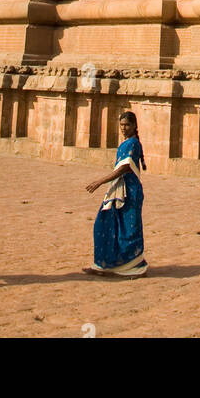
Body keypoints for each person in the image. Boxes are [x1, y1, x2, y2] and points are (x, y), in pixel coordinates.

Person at [83, 111, 148, 278]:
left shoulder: (133, 144)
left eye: (127, 125)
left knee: (128, 229)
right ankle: (104, 265)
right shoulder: (127, 143)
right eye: (121, 125)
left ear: (134, 126)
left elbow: (125, 168)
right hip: (119, 189)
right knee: (105, 224)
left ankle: (133, 267)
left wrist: (100, 181)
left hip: (129, 192)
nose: (123, 128)